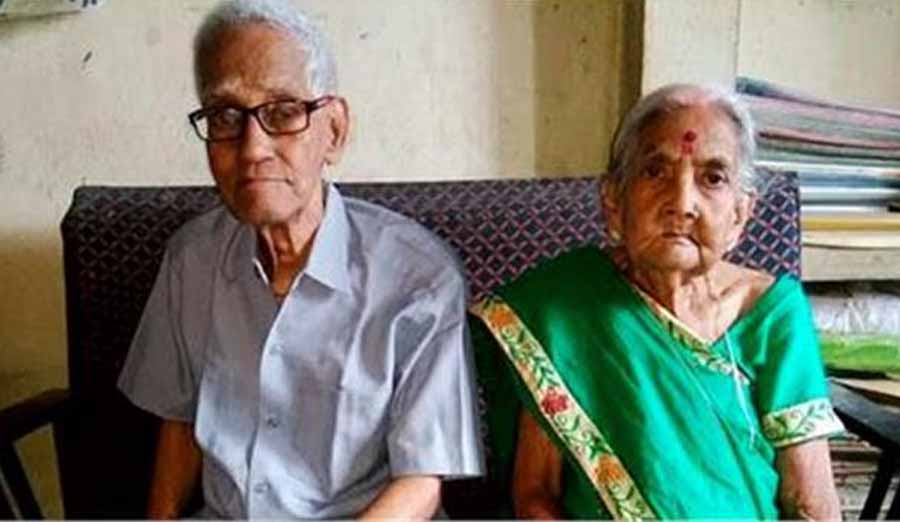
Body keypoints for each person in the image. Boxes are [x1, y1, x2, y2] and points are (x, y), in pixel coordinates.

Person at [117, 0, 483, 518]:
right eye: (225, 116)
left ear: (333, 131)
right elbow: (179, 423)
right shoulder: (191, 260)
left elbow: (421, 483)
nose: (252, 149)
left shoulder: (418, 278)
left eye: (284, 112)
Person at [471, 83, 844, 520]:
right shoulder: (560, 308)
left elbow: (811, 502)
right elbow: (536, 495)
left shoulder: (774, 313)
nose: (682, 203)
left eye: (713, 178)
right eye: (655, 172)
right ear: (614, 201)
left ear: (740, 215)